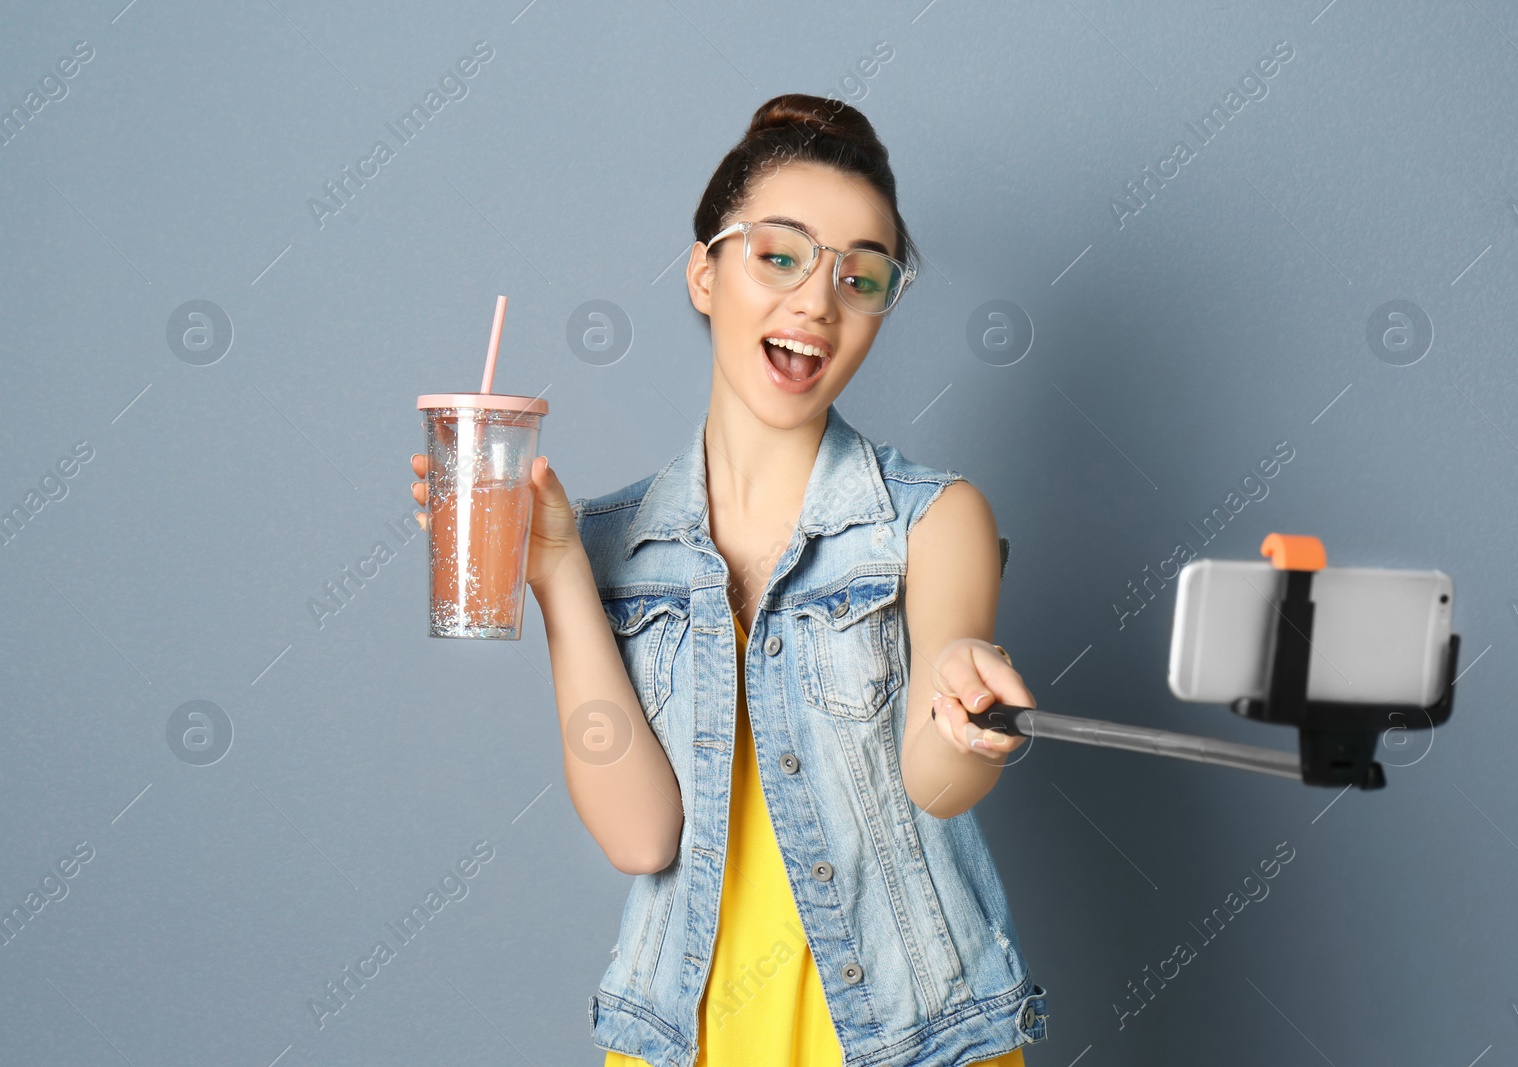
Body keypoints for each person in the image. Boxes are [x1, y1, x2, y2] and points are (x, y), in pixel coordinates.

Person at [411, 92, 1046, 1067]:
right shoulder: (609, 540)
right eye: (779, 255)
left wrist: (967, 690)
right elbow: (640, 835)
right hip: (687, 1039)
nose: (817, 303)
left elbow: (936, 773)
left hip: (910, 1038)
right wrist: (555, 576)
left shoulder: (934, 518)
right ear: (704, 272)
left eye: (861, 276)